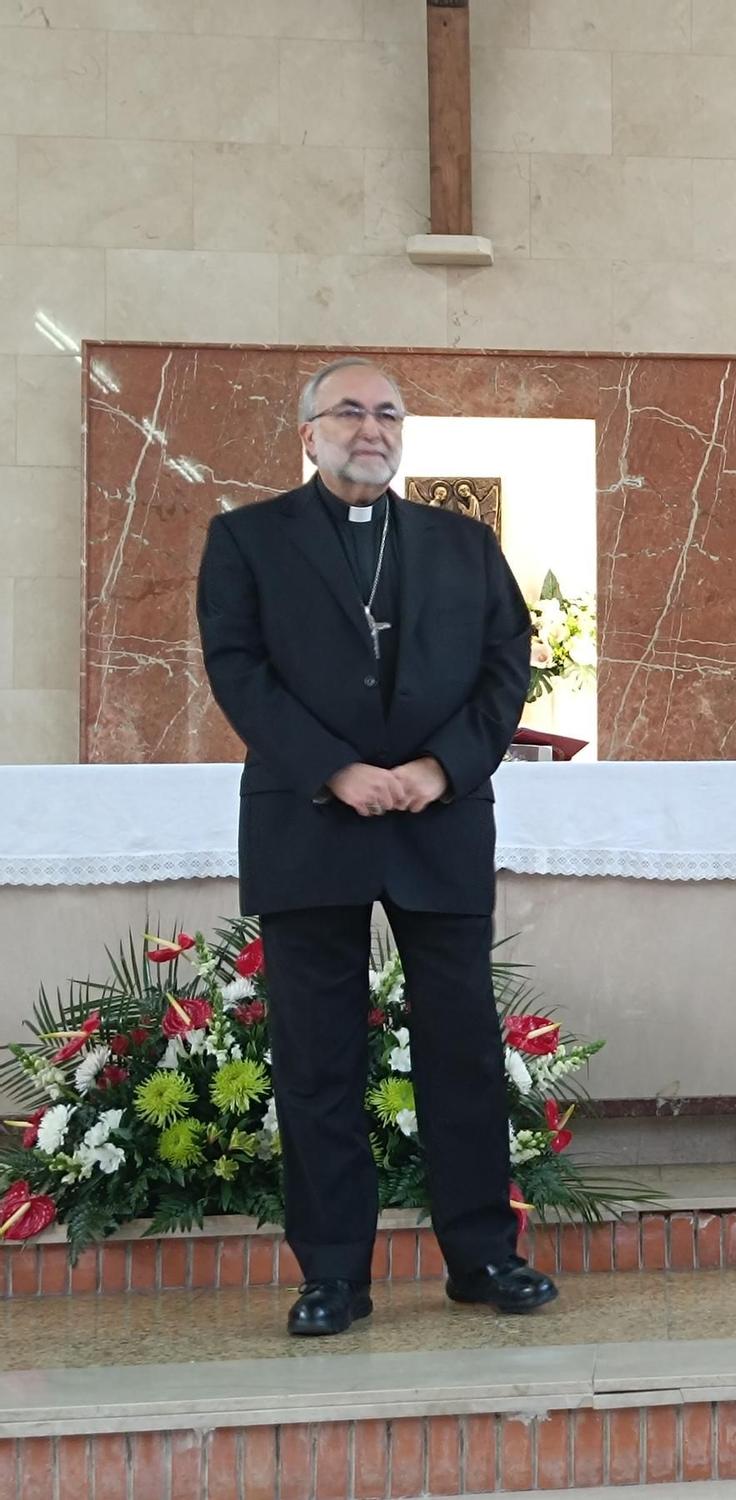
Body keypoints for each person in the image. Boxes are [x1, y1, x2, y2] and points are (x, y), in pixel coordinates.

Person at [196, 356, 557, 1334]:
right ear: (308, 433)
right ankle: (333, 1278)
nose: (370, 426)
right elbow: (237, 669)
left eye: (387, 412)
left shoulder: (462, 544)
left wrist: (442, 768)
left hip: (438, 821)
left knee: (462, 1052)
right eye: (348, 410)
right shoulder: (246, 540)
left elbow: (504, 665)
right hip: (308, 818)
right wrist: (334, 769)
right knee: (315, 1059)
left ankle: (483, 1256)